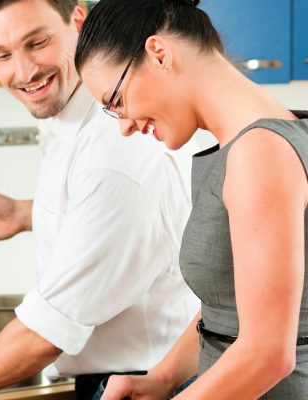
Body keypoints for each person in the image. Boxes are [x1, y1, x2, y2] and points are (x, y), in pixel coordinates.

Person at [0, 0, 200, 398]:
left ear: (78, 21)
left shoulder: (113, 147)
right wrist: (27, 214)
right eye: (3, 55)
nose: (23, 72)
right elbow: (118, 223)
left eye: (37, 42)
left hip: (144, 384)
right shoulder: (70, 119)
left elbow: (50, 329)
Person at [74, 0, 308, 398]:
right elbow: (236, 304)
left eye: (117, 102)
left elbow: (267, 353)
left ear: (159, 54)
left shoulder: (259, 153)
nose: (126, 126)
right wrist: (163, 378)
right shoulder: (265, 137)